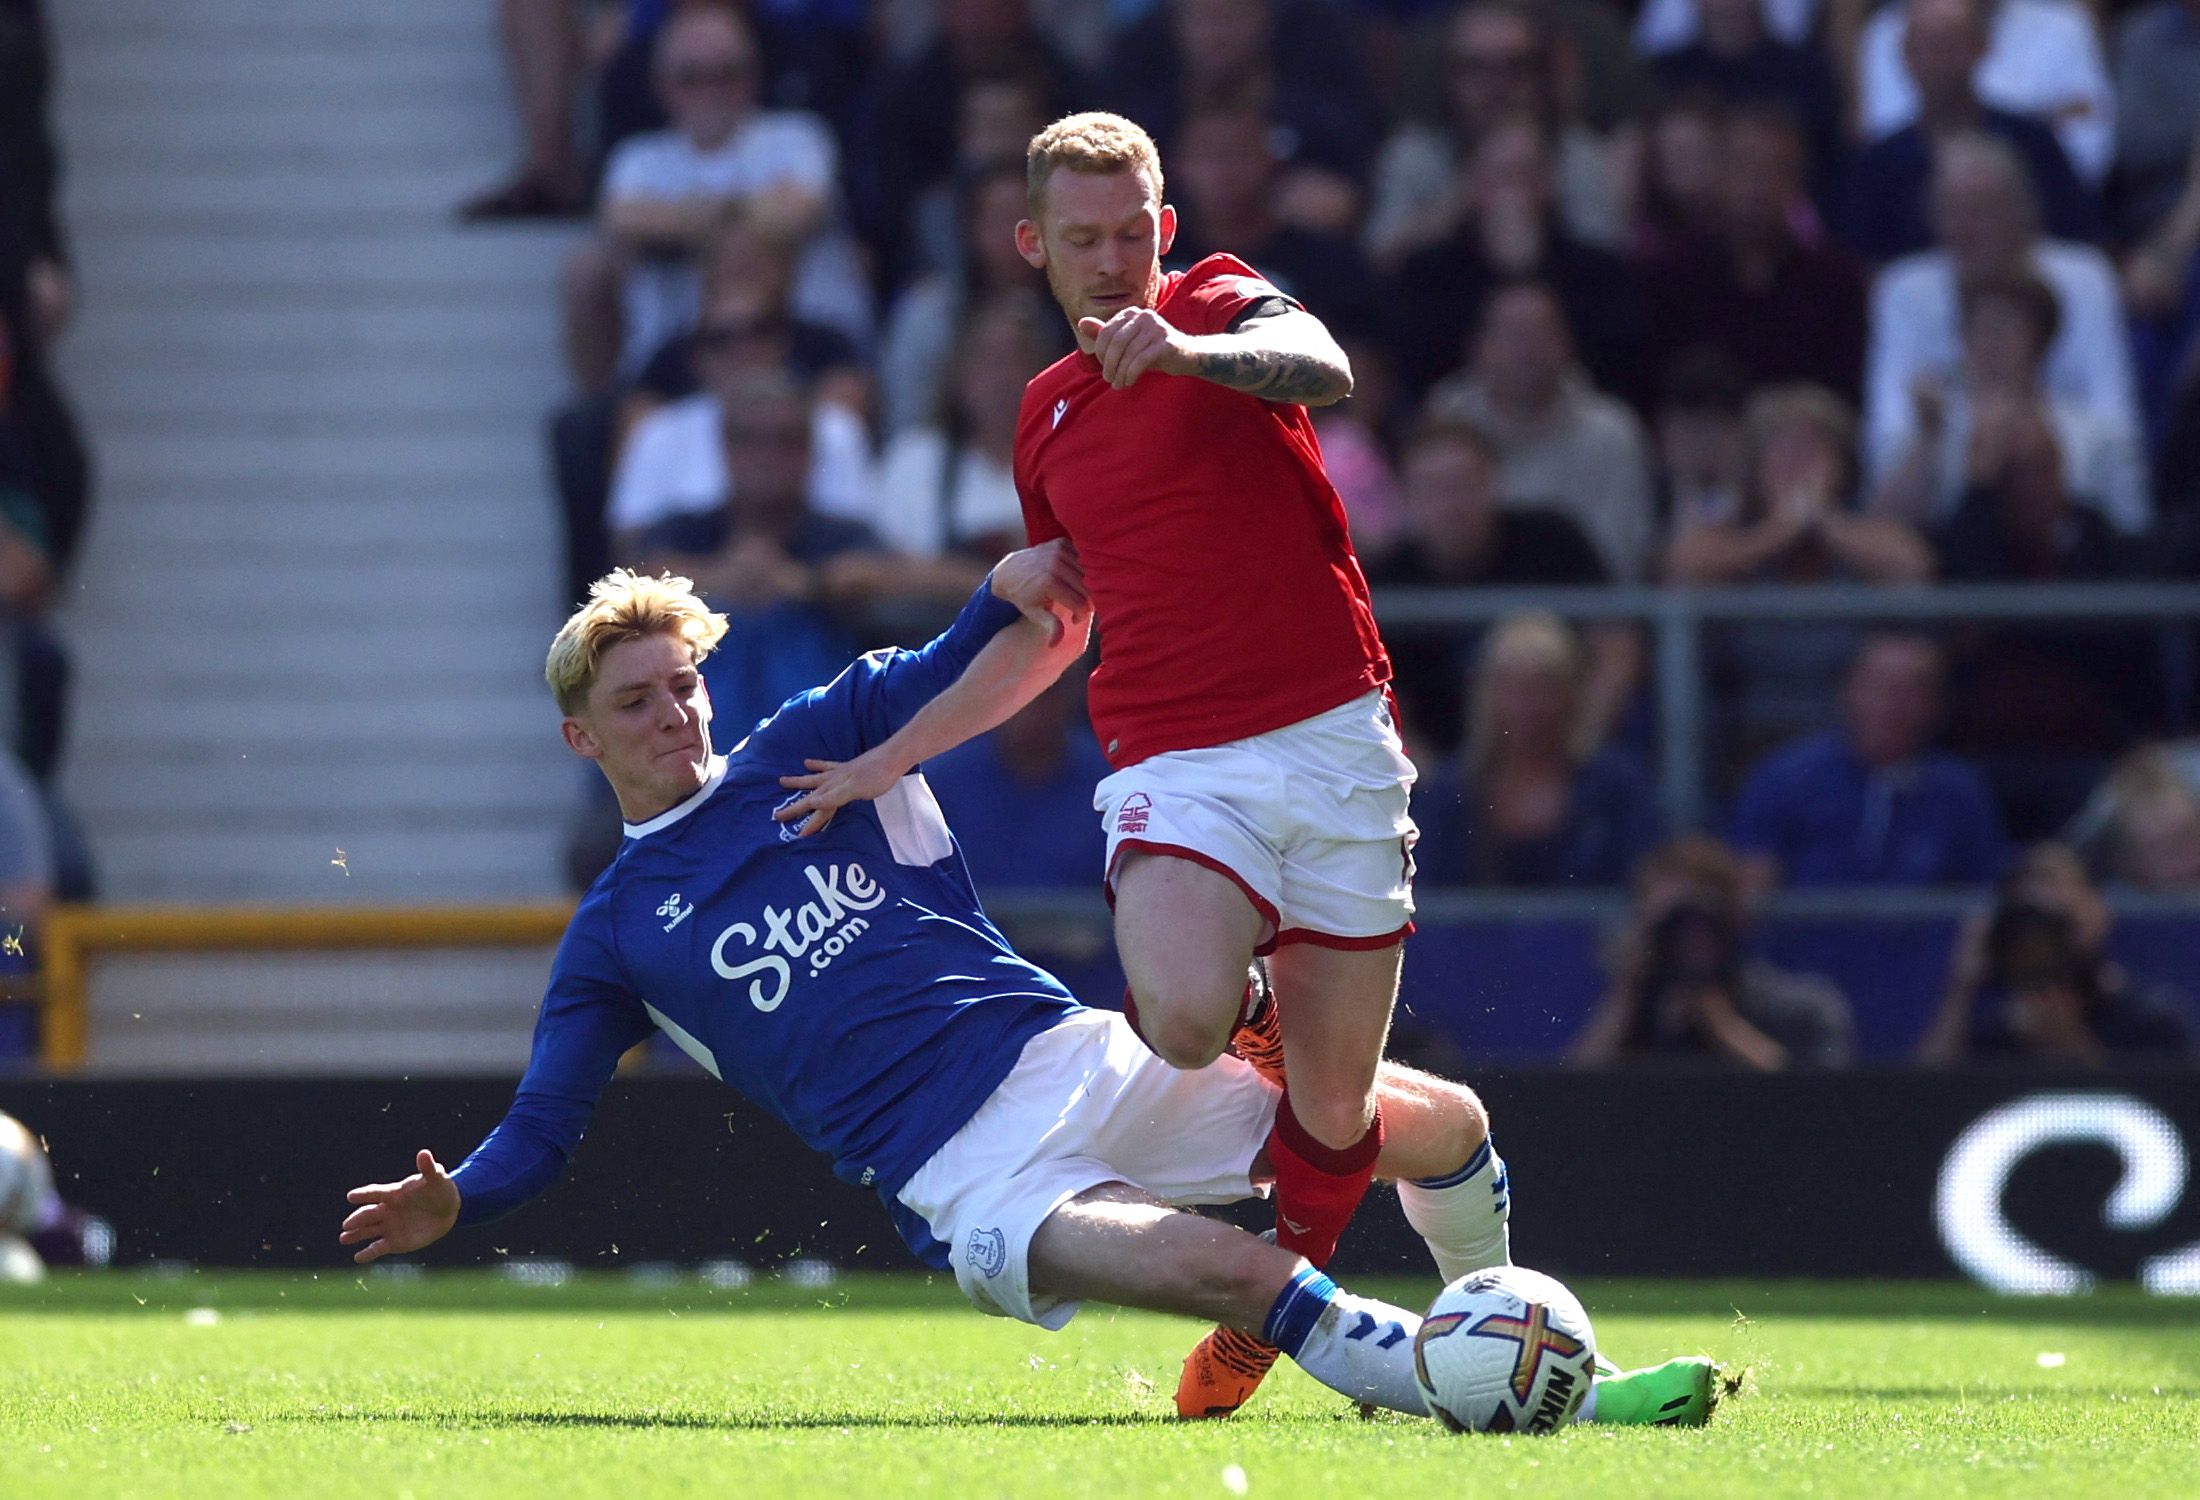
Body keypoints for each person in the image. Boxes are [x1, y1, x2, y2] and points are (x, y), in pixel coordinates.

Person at [336, 565, 1723, 1428]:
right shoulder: (616, 932)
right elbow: (547, 1126)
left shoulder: (805, 746)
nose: (675, 716)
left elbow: (958, 660)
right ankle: (1567, 1403)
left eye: (683, 684)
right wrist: (464, 1194)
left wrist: (1013, 575)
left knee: (1442, 1125)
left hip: (1078, 1057)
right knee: (1239, 1272)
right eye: (637, 703)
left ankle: (1503, 1335)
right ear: (583, 738)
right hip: (966, 1174)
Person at [1005, 111, 1432, 1416]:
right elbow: (1069, 597)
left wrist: (1187, 348)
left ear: (1166, 228)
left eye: (1132, 231)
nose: (1112, 258)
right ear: (1033, 246)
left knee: (1336, 1111)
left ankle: (1275, 1300)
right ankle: (1249, 1014)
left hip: (1332, 734)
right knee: (1184, 1019)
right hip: (1178, 754)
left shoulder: (1222, 303)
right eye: (1081, 238)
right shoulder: (1043, 418)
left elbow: (1321, 362)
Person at [1861, 134, 2138, 491]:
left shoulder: (2085, 278)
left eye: (1979, 209)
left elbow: (2115, 417)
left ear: (2022, 210)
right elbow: (1886, 437)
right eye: (1950, 211)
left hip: (2071, 479)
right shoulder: (1902, 288)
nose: (1962, 229)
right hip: (1943, 486)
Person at [1365, 416, 1635, 755]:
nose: (1451, 505)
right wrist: (1429, 778)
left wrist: (1579, 753)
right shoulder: (1382, 580)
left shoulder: (1553, 541)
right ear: (1405, 496)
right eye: (1433, 488)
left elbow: (1617, 651)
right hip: (1432, 773)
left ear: (1496, 483)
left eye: (1464, 485)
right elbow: (1369, 701)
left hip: (1570, 753)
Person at [1729, 632, 2011, 888]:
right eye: (1880, 685)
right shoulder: (1786, 776)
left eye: (1914, 689)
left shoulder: (1960, 791)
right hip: (1809, 943)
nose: (1895, 702)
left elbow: (1983, 898)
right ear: (1848, 691)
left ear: (1937, 705)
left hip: (1926, 945)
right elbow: (1751, 894)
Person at [1421, 279, 1657, 581]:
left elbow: (1620, 556)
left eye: (1539, 333)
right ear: (1479, 346)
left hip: (1580, 610)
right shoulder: (1447, 418)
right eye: (1513, 334)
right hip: (1459, 606)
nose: (1526, 350)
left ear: (1567, 343)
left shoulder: (1611, 433)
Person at [1411, 613, 1660, 888]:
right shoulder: (1449, 792)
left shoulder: (1616, 788)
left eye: (1543, 686)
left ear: (1572, 694)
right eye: (1511, 687)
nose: (1526, 705)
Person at [1840, 0, 2095, 264]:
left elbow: (2078, 236)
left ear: (1981, 47)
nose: (1939, 62)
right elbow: (1864, 260)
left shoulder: (2031, 142)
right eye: (1927, 47)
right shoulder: (1878, 164)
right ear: (1905, 55)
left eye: (1951, 46)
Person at [1570, 836, 1856, 1069]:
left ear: (1733, 920)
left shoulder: (1806, 1008)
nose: (1684, 939)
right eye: (1669, 923)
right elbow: (1572, 1102)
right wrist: (1629, 991)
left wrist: (1720, 1023)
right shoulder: (1634, 1014)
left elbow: (1819, 1104)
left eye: (1695, 923)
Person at [1917, 843, 2197, 1062]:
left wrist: (2070, 1046)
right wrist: (1962, 986)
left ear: (2096, 914)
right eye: (2032, 922)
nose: (2043, 941)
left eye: (2059, 920)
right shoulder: (1991, 1033)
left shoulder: (2151, 1024)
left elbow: (2155, 1113)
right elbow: (1921, 1100)